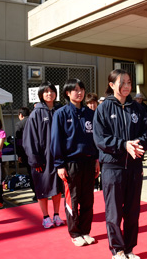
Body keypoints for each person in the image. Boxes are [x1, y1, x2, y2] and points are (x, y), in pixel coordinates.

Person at [93, 69, 147, 259]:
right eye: (122, 82)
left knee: (133, 211)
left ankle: (129, 249)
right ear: (111, 85)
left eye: (129, 82)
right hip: (113, 167)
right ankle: (117, 250)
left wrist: (136, 145)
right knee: (114, 212)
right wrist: (123, 145)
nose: (127, 86)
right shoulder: (103, 109)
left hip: (134, 166)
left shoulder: (138, 108)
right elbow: (100, 139)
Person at [51, 79, 99, 247]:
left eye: (81, 89)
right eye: (75, 90)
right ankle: (75, 233)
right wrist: (59, 165)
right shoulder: (61, 113)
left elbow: (95, 139)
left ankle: (85, 231)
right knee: (73, 198)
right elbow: (56, 140)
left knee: (88, 199)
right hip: (70, 163)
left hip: (89, 161)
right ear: (67, 93)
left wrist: (97, 160)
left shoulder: (90, 113)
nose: (79, 93)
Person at [23, 81, 64, 228]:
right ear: (41, 95)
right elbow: (29, 140)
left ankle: (57, 215)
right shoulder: (36, 114)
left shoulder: (60, 110)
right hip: (42, 160)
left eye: (52, 91)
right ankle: (46, 217)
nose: (49, 94)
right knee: (43, 188)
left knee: (58, 188)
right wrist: (35, 161)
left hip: (59, 158)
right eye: (46, 91)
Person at [15, 107, 36, 200]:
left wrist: (19, 154)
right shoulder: (35, 121)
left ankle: (36, 193)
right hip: (38, 151)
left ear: (20, 115)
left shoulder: (19, 124)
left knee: (31, 173)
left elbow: (18, 141)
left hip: (26, 153)